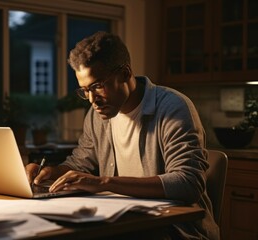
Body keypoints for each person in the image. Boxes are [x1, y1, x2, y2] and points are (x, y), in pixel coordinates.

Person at [25, 31, 219, 239]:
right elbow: (80, 164)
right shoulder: (96, 115)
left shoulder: (173, 108)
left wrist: (103, 183)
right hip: (129, 225)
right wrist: (49, 172)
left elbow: (188, 183)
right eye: (85, 90)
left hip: (175, 231)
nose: (92, 99)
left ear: (126, 74)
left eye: (98, 86)